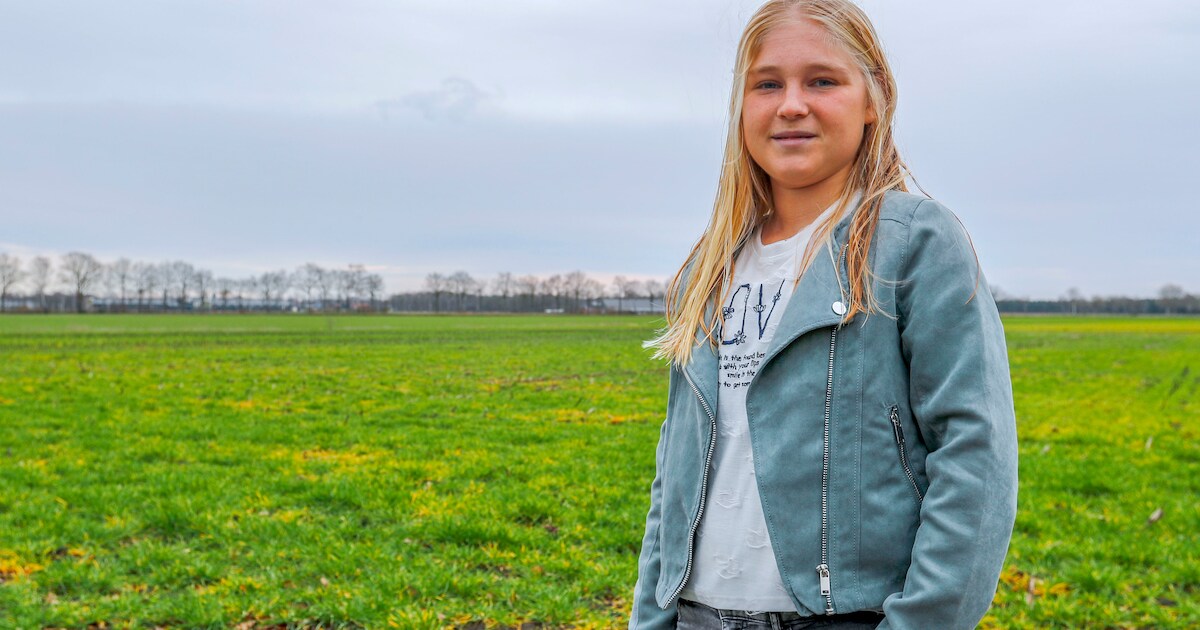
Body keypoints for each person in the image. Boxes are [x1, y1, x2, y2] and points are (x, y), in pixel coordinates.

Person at [629, 1, 1018, 629]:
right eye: (767, 84)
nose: (790, 104)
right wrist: (650, 617)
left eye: (821, 80)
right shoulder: (710, 265)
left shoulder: (913, 243)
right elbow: (672, 477)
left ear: (874, 98)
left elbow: (977, 459)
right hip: (696, 613)